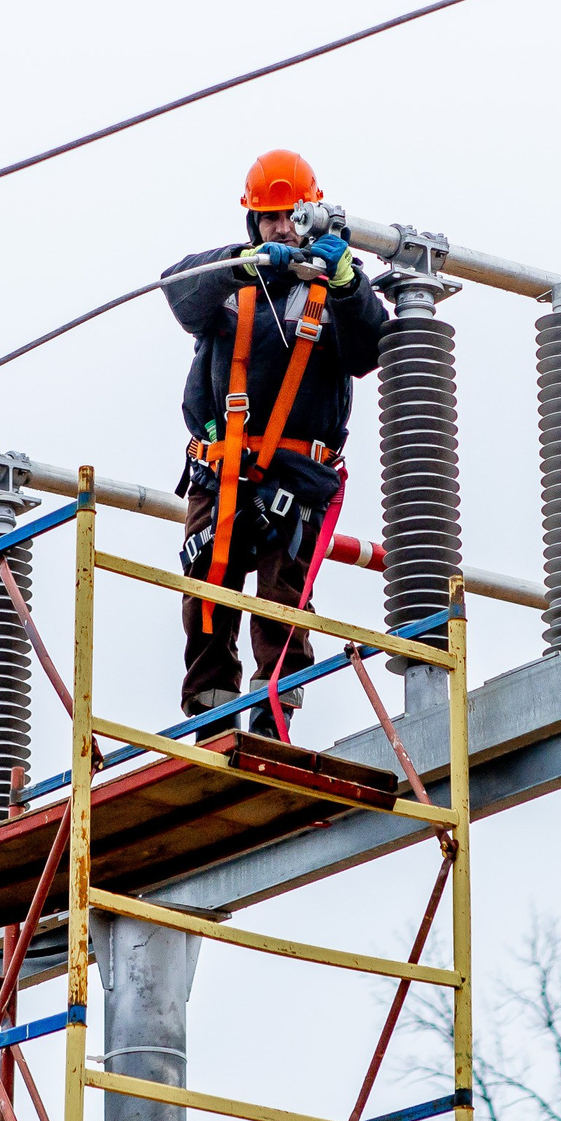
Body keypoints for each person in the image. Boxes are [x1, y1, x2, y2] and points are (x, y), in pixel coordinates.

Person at [161, 149, 390, 740]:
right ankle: (211, 721)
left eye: (289, 215)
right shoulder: (232, 286)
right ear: (252, 223)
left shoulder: (333, 290)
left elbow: (369, 349)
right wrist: (244, 263)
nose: (281, 228)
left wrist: (347, 283)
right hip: (222, 472)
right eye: (268, 218)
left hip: (297, 480)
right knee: (206, 601)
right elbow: (177, 287)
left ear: (311, 212)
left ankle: (272, 721)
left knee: (282, 605)